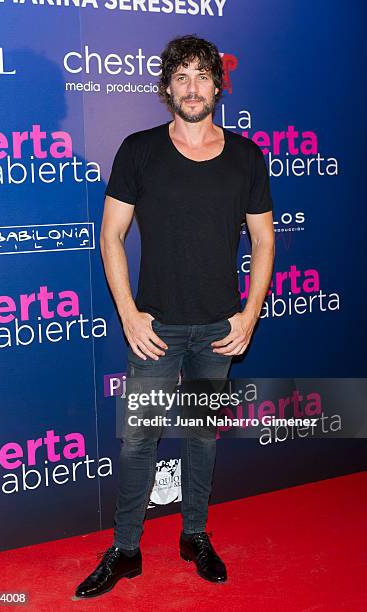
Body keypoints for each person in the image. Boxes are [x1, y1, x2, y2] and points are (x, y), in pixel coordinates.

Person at [75, 34, 275, 599]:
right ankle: (125, 550)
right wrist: (129, 316)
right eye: (180, 77)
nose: (192, 88)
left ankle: (194, 536)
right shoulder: (139, 149)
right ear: (167, 88)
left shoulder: (245, 156)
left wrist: (249, 316)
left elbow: (264, 241)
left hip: (219, 329)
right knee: (139, 439)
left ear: (217, 85)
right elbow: (110, 236)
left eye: (201, 76)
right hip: (156, 329)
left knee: (202, 436)